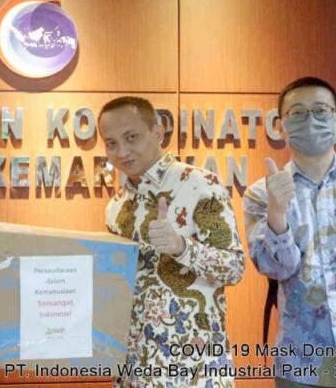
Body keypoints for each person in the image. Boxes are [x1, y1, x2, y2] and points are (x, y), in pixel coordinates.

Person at [243, 77, 336, 388]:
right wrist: (277, 213)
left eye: (320, 110)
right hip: (302, 365)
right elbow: (276, 269)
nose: (310, 120)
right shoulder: (261, 194)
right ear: (281, 125)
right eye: (298, 113)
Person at [98, 96, 245, 388]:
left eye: (131, 137)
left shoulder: (199, 184)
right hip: (132, 370)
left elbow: (234, 268)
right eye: (111, 143)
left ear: (158, 132)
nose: (121, 151)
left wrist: (181, 247)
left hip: (192, 370)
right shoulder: (116, 205)